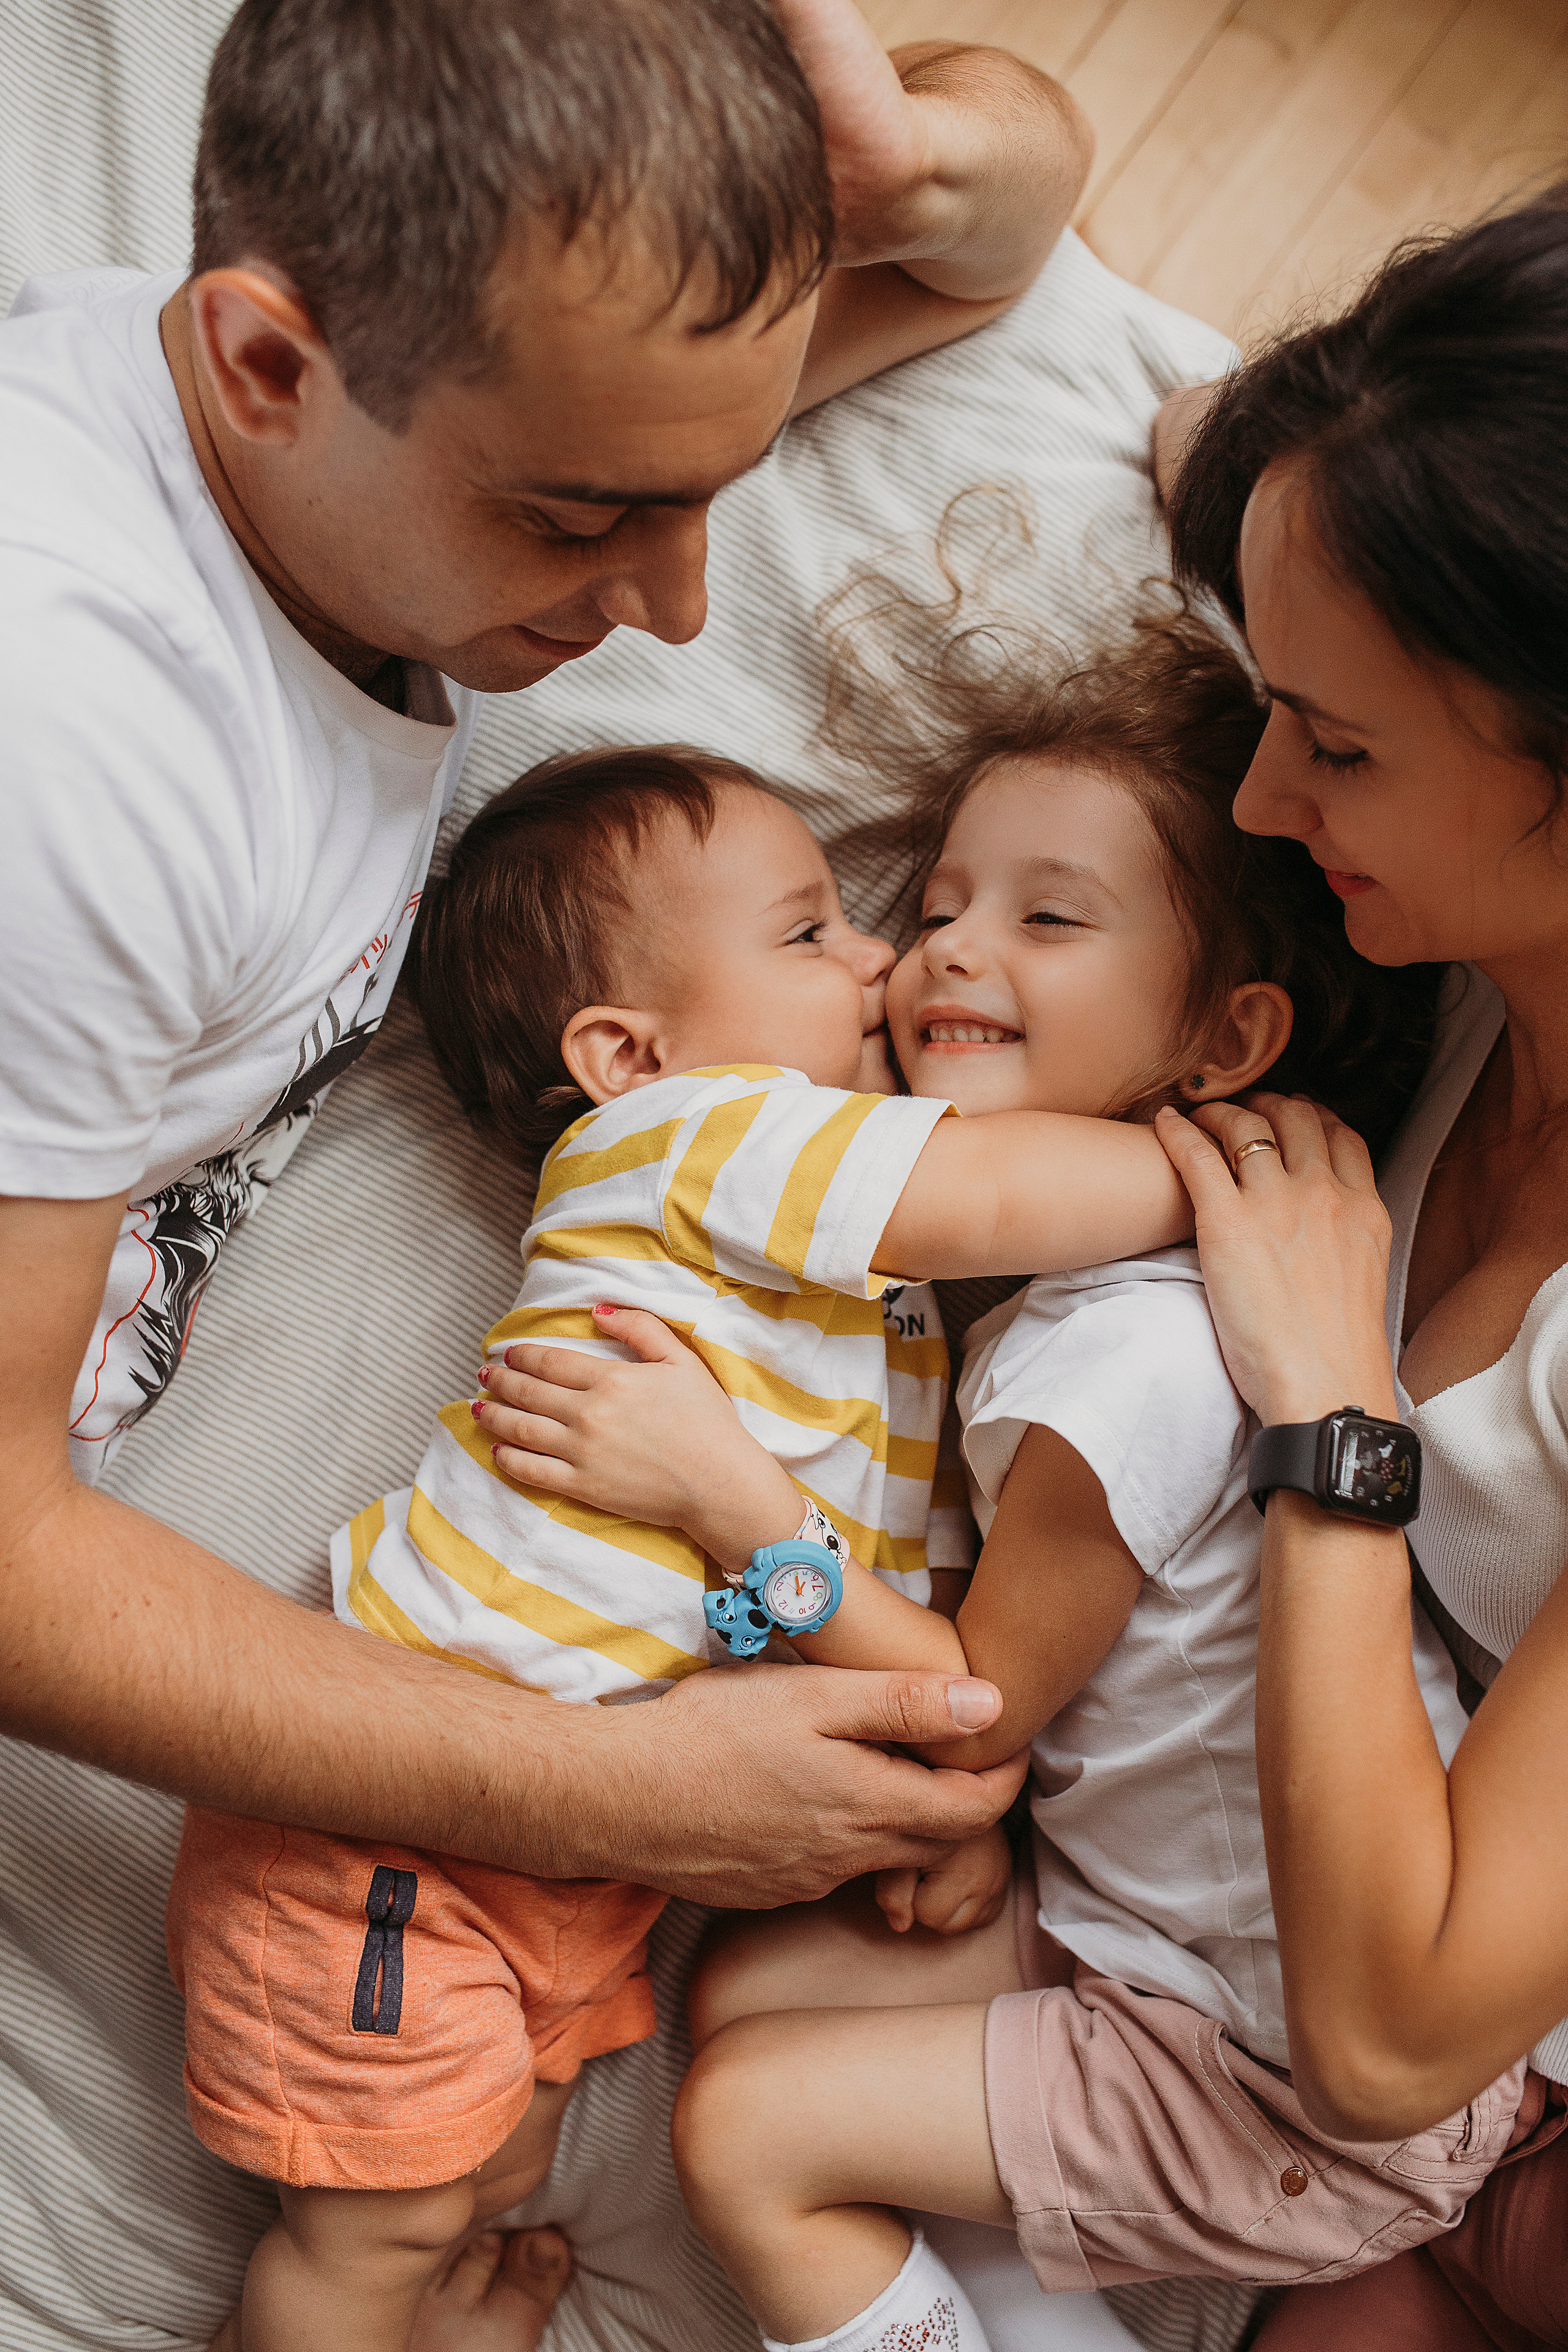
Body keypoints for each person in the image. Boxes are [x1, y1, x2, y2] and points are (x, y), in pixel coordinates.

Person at [0, 6, 1089, 2339]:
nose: (681, 602)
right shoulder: (70, 755)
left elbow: (1003, 224)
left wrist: (914, 160)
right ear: (265, 363)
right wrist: (622, 1802)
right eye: (590, 520)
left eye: (711, 487)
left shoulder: (409, 433)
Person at [469, 613, 1515, 2352]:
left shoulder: (1140, 1354)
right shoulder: (1040, 1319)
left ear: (1225, 1043)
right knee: (754, 1987)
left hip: (1283, 2069)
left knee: (745, 2132)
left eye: (1049, 918)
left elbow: (970, 1703)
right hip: (1138, 1931)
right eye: (942, 902)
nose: (941, 948)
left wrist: (731, 1498)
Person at [172, 736, 1212, 2352]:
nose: (881, 957)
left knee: (488, 2166)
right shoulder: (705, 1140)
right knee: (378, 2225)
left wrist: (935, 1816)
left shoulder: (885, 1321)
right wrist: (1224, 1160)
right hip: (390, 1832)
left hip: (561, 1868)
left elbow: (889, 1631)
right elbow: (1010, 1192)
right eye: (811, 933)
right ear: (629, 1054)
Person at [1134, 186, 1568, 2350]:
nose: (1256, 793)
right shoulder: (1484, 936)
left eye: (1340, 748)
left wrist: (1337, 1421)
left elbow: (1391, 2032)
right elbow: (1220, 434)